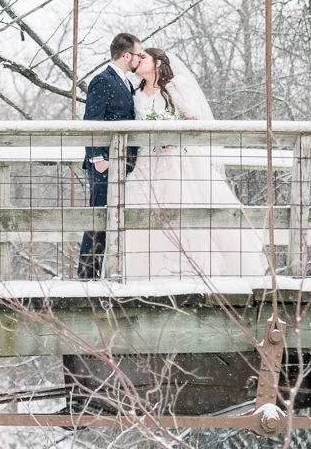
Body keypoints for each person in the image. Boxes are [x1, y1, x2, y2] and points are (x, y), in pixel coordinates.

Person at [122, 46, 269, 280]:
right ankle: (148, 274)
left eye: (144, 57)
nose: (138, 60)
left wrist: (170, 134)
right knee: (142, 209)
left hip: (178, 157)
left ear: (158, 63)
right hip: (147, 161)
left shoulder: (176, 86)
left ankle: (193, 270)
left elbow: (193, 119)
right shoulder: (136, 92)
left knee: (184, 204)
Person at [78, 32, 145, 279]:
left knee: (112, 217)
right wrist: (98, 159)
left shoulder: (127, 82)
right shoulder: (102, 80)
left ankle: (105, 272)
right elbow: (91, 121)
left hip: (122, 164)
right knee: (99, 218)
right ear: (126, 55)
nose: (140, 58)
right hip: (104, 165)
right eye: (138, 54)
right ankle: (87, 276)